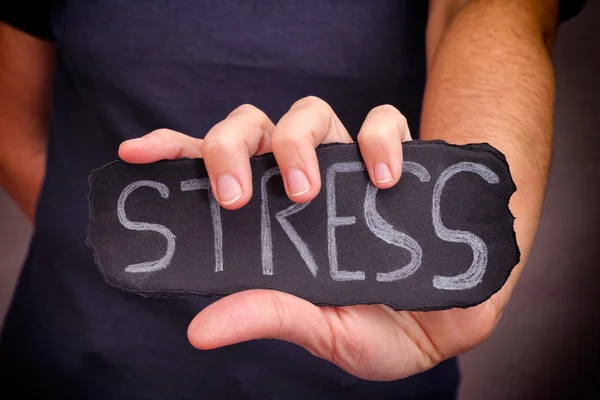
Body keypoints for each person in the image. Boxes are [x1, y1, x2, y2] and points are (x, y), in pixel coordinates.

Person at [0, 0, 585, 398]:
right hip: (75, 362)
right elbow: (12, 126)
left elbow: (490, 11)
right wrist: (142, 245)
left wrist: (453, 272)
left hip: (373, 360)